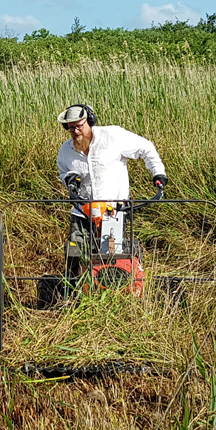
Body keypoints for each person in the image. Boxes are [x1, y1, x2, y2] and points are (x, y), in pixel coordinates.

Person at [55, 103, 167, 291]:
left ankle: (120, 291)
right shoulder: (66, 150)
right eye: (71, 128)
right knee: (74, 252)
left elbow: (146, 148)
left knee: (114, 255)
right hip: (83, 212)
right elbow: (63, 171)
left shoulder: (113, 137)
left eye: (79, 126)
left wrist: (158, 174)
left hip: (114, 212)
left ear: (90, 122)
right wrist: (69, 179)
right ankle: (73, 293)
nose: (75, 131)